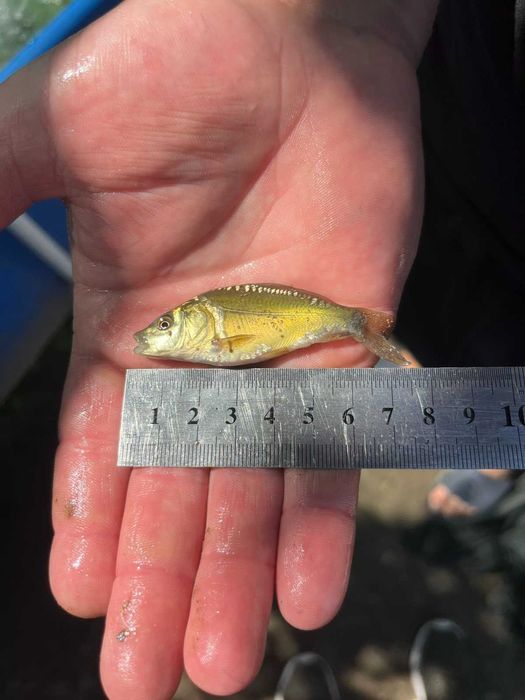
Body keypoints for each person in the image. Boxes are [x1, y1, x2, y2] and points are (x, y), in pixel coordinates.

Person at [1, 1, 477, 698]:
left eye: (169, 327)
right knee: (456, 319)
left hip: (447, 149)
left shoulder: (226, 324)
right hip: (446, 120)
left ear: (197, 324)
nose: (160, 337)